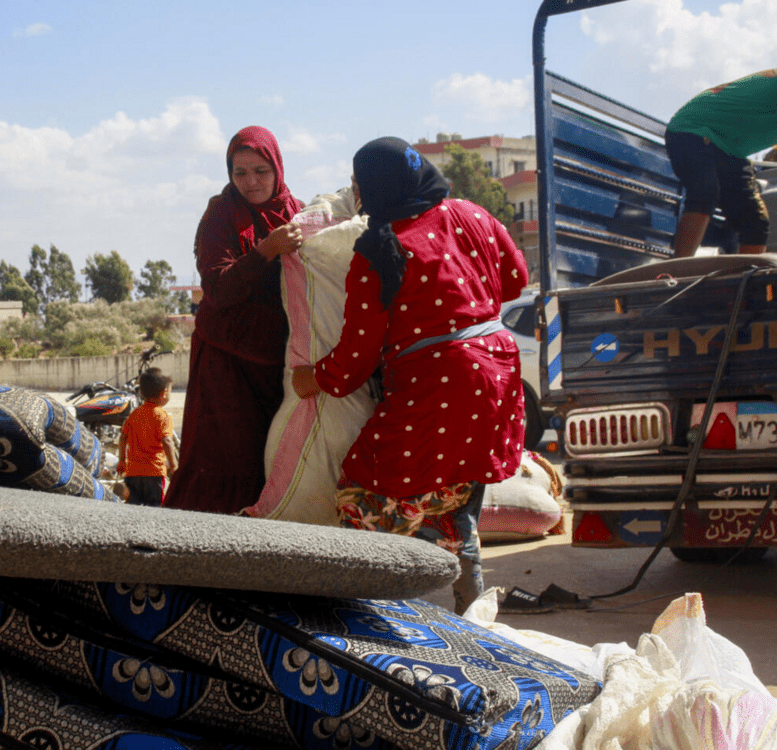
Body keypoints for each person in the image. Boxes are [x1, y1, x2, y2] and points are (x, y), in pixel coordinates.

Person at [292, 137, 528, 614]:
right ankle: (472, 614)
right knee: (458, 498)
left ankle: (373, 619)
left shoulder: (380, 251)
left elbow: (354, 362)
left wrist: (312, 378)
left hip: (442, 386)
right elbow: (516, 280)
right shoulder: (472, 213)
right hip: (498, 374)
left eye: (360, 186)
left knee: (362, 496)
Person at [163, 126, 304, 514]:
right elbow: (218, 288)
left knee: (276, 465)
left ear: (277, 168)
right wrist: (265, 251)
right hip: (227, 366)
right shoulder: (221, 215)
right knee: (223, 466)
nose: (251, 182)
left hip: (279, 364)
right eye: (240, 173)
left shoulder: (296, 212)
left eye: (260, 171)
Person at [665, 69, 777, 257]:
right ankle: (677, 268)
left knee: (755, 219)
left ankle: (748, 275)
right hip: (694, 128)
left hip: (730, 147)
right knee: (705, 192)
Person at [118, 368, 178, 507]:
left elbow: (123, 438)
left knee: (133, 506)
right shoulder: (162, 416)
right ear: (164, 393)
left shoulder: (134, 414)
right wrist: (174, 466)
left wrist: (122, 461)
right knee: (154, 507)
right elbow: (167, 441)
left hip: (133, 472)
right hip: (154, 473)